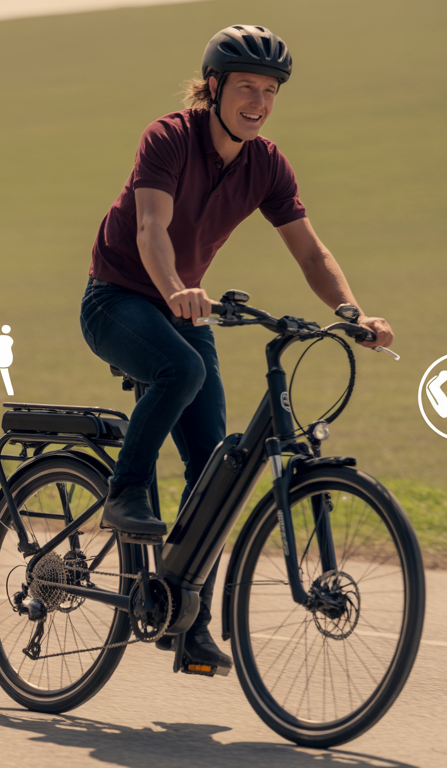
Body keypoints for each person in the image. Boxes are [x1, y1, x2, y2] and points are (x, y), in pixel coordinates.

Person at [79, 26, 394, 672]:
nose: (259, 101)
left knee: (214, 472)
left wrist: (351, 312)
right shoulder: (169, 137)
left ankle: (185, 623)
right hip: (118, 298)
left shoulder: (266, 164)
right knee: (182, 366)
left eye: (270, 91)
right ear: (214, 88)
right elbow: (150, 229)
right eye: (247, 87)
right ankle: (126, 489)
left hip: (183, 304)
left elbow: (311, 252)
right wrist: (173, 290)